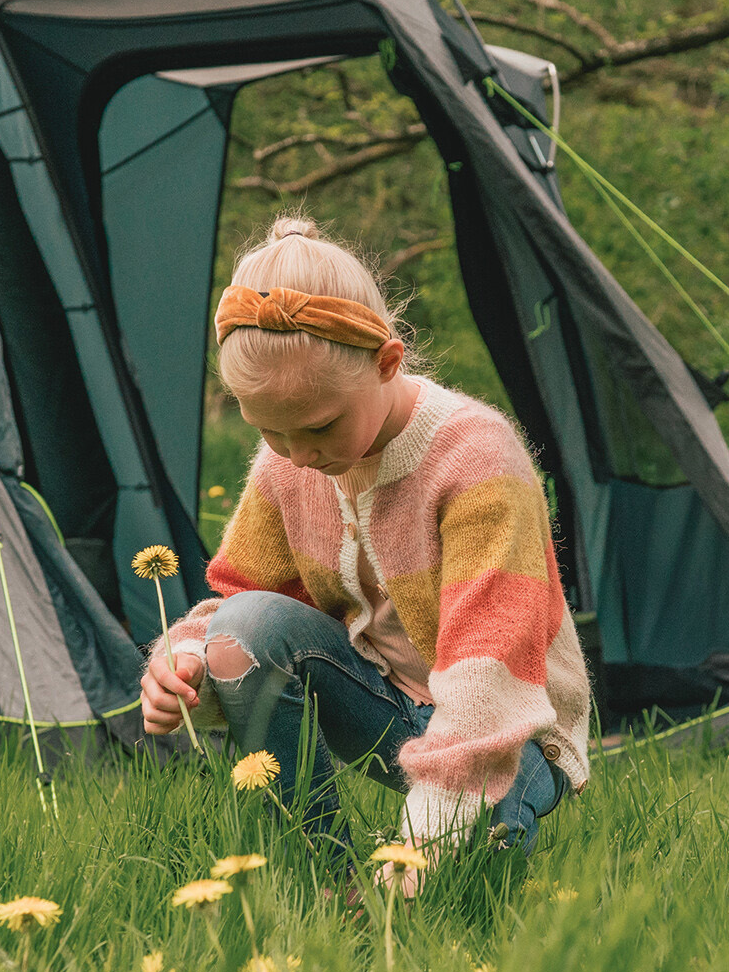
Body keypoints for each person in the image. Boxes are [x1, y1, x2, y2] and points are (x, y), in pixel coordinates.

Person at [140, 214, 590, 869]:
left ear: (387, 362)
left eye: (319, 426)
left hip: (506, 728)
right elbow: (243, 606)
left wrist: (421, 844)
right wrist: (186, 660)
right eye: (270, 431)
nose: (297, 454)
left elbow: (489, 671)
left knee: (457, 897)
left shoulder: (477, 460)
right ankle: (320, 880)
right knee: (242, 624)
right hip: (384, 701)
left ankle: (467, 873)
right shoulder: (287, 468)